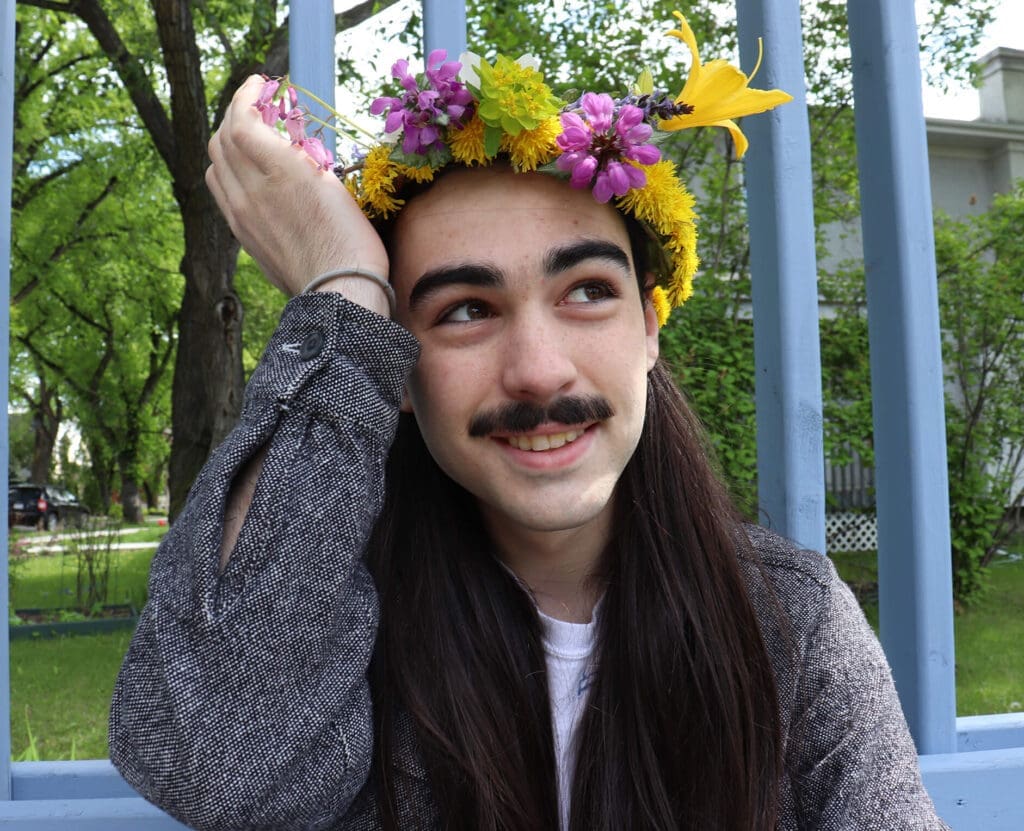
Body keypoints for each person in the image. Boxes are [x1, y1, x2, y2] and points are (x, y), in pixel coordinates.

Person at [109, 14, 949, 831]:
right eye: (467, 309)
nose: (540, 368)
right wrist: (343, 290)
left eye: (587, 290)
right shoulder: (322, 625)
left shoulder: (791, 621)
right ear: (393, 367)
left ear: (650, 328)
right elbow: (216, 771)